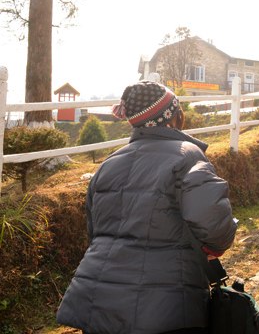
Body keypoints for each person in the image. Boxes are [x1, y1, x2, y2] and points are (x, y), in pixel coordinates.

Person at [56, 81, 238, 334]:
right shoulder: (188, 155)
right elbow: (215, 228)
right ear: (174, 116)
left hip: (98, 302)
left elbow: (95, 231)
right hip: (166, 305)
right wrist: (212, 247)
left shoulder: (109, 163)